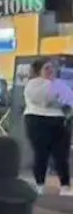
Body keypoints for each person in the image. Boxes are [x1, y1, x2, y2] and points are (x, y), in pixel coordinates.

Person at [23, 58, 73, 193]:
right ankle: (39, 184)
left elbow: (69, 100)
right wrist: (57, 97)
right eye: (47, 68)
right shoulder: (33, 84)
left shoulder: (59, 84)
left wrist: (62, 102)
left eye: (52, 68)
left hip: (58, 121)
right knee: (41, 154)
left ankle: (65, 185)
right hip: (37, 120)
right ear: (39, 71)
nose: (51, 71)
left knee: (61, 155)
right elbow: (44, 99)